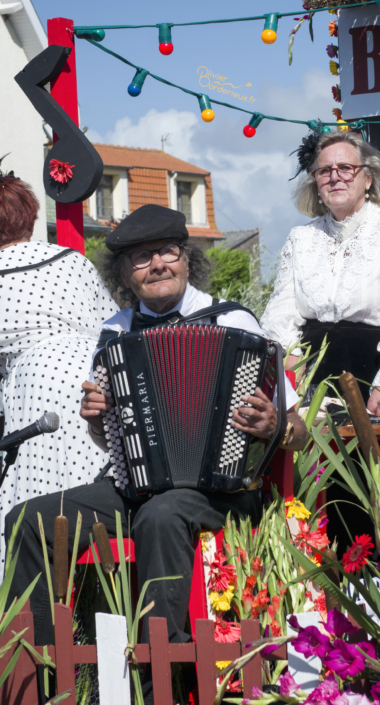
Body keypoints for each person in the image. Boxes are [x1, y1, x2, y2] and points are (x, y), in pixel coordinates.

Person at [5, 204, 308, 704]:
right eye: (141, 257)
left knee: (163, 514)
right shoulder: (116, 331)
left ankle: (160, 688)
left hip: (221, 492)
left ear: (188, 259)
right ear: (123, 273)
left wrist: (275, 424)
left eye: (167, 251)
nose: (158, 264)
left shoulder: (234, 321)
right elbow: (115, 446)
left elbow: (298, 431)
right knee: (27, 519)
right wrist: (99, 418)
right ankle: (24, 688)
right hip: (133, 489)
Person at [0, 171, 118, 566]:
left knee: (34, 511)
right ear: (29, 215)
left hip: (37, 385)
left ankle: (34, 608)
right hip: (93, 378)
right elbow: (112, 326)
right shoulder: (71, 260)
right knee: (91, 500)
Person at [261, 131, 380, 416]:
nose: (335, 177)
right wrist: (296, 382)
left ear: (368, 178)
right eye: (324, 171)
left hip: (377, 378)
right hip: (310, 387)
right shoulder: (300, 238)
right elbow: (278, 317)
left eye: (346, 168)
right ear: (316, 182)